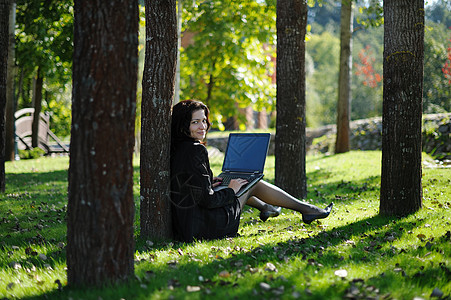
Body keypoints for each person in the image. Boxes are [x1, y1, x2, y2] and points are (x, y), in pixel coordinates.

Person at [170, 99, 333, 242]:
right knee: (251, 184)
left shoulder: (177, 147)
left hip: (187, 226)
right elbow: (208, 200)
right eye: (195, 122)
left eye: (204, 120)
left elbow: (190, 187)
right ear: (183, 125)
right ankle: (306, 210)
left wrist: (208, 183)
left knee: (242, 184)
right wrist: (231, 190)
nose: (203, 126)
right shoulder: (196, 150)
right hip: (207, 227)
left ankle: (268, 208)